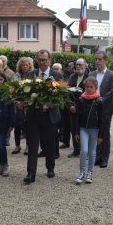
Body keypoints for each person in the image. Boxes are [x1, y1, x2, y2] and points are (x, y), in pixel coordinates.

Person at [22, 49, 63, 184]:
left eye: (44, 60)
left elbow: (63, 95)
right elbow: (24, 94)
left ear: (49, 60)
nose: (42, 63)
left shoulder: (57, 75)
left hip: (49, 115)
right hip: (34, 115)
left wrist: (54, 102)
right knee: (33, 144)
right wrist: (23, 102)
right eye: (39, 60)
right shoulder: (30, 75)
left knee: (50, 143)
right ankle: (31, 173)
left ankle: (50, 167)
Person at [89, 51, 113, 168]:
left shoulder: (112, 75)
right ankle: (98, 156)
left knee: (105, 132)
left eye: (100, 59)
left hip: (105, 107)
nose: (97, 61)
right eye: (96, 59)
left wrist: (102, 99)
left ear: (105, 60)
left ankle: (105, 158)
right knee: (96, 132)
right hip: (94, 108)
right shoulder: (91, 74)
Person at [73, 77, 104, 184]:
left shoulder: (100, 101)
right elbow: (77, 116)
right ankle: (81, 172)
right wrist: (76, 131)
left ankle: (90, 172)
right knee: (84, 150)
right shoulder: (81, 100)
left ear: (96, 87)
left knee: (92, 152)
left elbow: (102, 119)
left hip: (95, 129)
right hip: (83, 128)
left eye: (91, 87)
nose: (89, 89)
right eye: (87, 87)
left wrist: (101, 135)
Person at [67, 58, 90, 158]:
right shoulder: (72, 76)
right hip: (73, 108)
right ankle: (76, 150)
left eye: (80, 65)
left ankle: (86, 150)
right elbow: (67, 93)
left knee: (85, 129)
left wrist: (78, 106)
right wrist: (70, 105)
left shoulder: (90, 77)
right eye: (77, 65)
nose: (78, 66)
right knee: (73, 129)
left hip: (85, 109)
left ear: (86, 66)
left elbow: (90, 93)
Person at [12, 57, 34, 155]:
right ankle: (17, 145)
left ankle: (28, 146)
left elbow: (35, 90)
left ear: (30, 66)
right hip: (17, 104)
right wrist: (17, 102)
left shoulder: (33, 76)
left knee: (29, 126)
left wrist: (27, 101)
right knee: (17, 125)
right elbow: (11, 90)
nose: (24, 67)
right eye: (23, 65)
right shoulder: (16, 76)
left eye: (26, 65)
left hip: (28, 104)